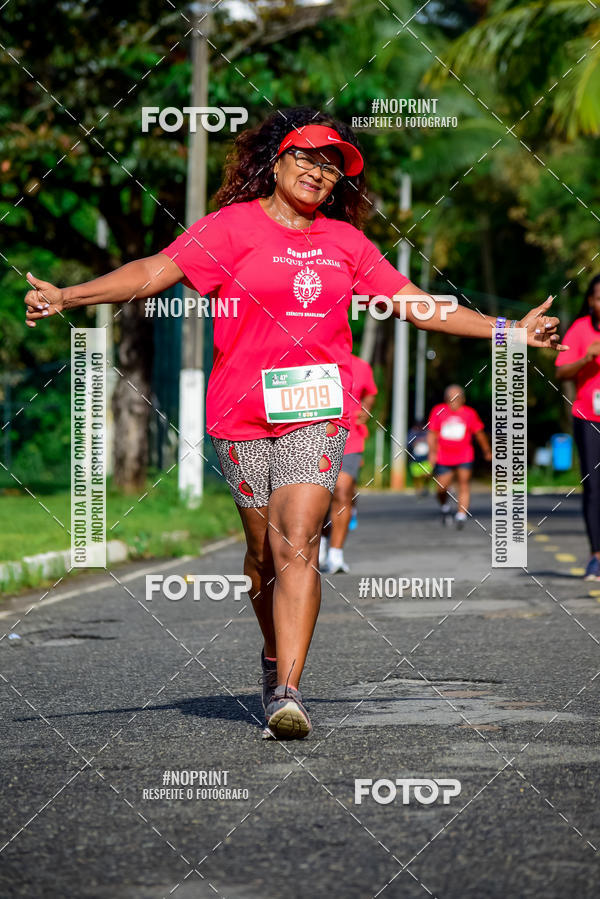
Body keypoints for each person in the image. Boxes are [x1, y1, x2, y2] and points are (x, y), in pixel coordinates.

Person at [24, 106, 564, 740]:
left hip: (317, 412)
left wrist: (510, 331)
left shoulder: (347, 244)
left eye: (332, 166)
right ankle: (274, 653)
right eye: (306, 156)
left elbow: (419, 307)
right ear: (275, 160)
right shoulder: (230, 230)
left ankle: (288, 692)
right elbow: (151, 274)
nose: (318, 171)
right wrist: (68, 295)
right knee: (261, 560)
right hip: (238, 415)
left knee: (297, 540)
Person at [555, 275, 600, 580]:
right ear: (591, 301)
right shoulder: (581, 329)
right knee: (595, 488)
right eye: (598, 297)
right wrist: (586, 357)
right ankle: (597, 556)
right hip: (589, 417)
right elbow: (561, 372)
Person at [319, 353, 377, 573]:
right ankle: (321, 545)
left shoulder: (361, 366)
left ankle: (336, 555)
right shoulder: (313, 361)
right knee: (321, 496)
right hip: (315, 439)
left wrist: (366, 409)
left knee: (342, 491)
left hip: (350, 438)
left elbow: (370, 393)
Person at [428, 385, 492, 528]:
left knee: (463, 483)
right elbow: (432, 433)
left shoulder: (470, 413)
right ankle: (444, 506)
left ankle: (461, 515)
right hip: (444, 456)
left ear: (463, 399)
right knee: (441, 488)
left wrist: (487, 450)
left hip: (464, 455)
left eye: (457, 397)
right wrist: (432, 453)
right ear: (446, 399)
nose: (454, 400)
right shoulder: (439, 411)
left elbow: (479, 433)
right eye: (451, 397)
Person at [407, 419, 432, 495]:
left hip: (426, 458)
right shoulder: (412, 433)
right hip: (415, 459)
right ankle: (418, 490)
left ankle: (425, 486)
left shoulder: (428, 433)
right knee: (416, 476)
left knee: (427, 474)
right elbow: (408, 444)